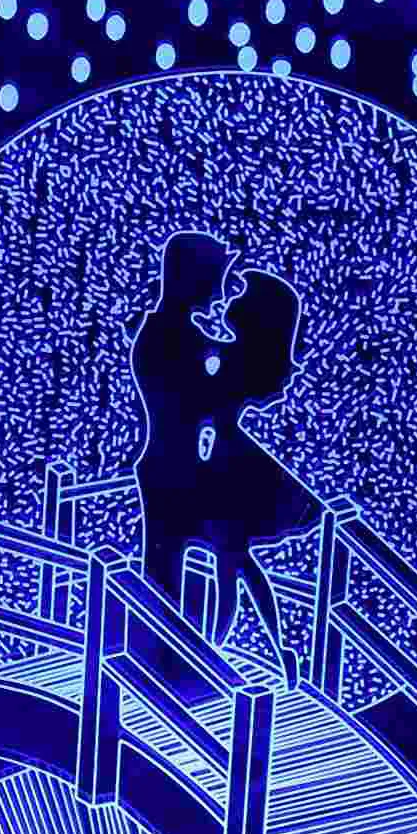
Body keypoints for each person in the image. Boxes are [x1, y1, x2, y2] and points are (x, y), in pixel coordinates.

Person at [130, 233, 318, 689]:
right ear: (193, 279)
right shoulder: (172, 341)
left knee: (226, 557)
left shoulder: (184, 340)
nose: (222, 291)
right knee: (182, 567)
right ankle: (179, 662)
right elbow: (198, 397)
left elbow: (215, 394)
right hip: (175, 472)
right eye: (217, 278)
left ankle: (202, 657)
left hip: (195, 470)